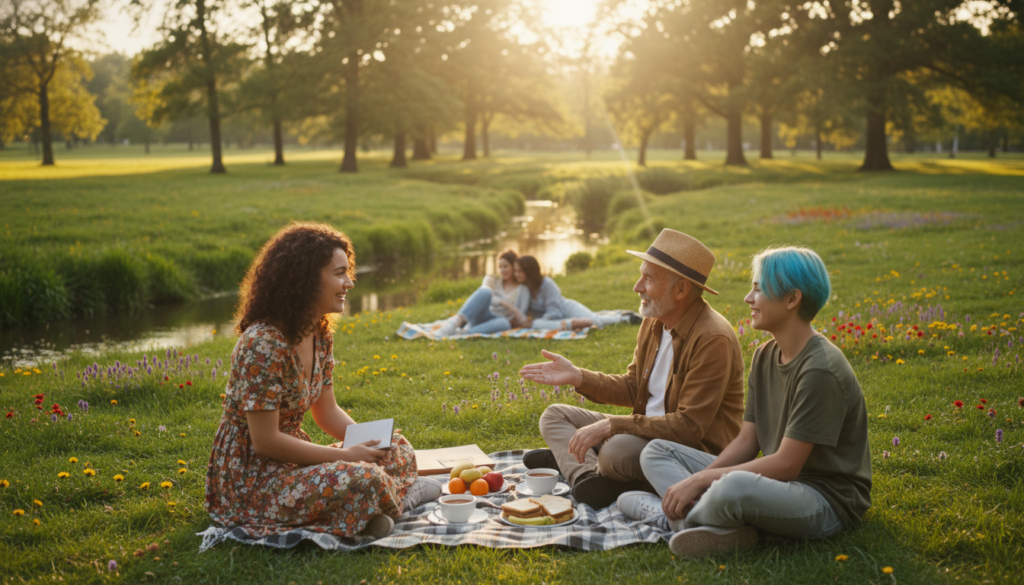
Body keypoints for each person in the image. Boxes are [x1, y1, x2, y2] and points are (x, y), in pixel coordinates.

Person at [618, 246, 871, 558]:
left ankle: (666, 517)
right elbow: (747, 441)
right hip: (776, 485)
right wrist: (698, 481)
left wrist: (700, 481)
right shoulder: (766, 355)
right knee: (657, 450)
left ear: (792, 299)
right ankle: (715, 525)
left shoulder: (820, 369)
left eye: (758, 289)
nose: (748, 299)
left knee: (734, 486)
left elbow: (787, 464)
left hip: (824, 499)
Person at [205, 223, 441, 541]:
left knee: (397, 448)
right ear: (306, 279)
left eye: (348, 272)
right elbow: (265, 441)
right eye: (340, 273)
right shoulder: (262, 343)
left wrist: (371, 447)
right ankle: (401, 501)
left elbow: (326, 412)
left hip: (293, 461)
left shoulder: (319, 333)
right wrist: (346, 457)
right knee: (364, 479)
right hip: (252, 479)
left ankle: (375, 510)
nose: (350, 282)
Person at [518, 230, 744, 509]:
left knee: (615, 451)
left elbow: (688, 428)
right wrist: (578, 376)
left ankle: (582, 462)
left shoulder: (712, 338)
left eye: (648, 279)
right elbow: (634, 387)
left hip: (687, 452)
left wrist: (613, 426)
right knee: (554, 415)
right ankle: (588, 476)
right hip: (646, 432)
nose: (637, 287)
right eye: (641, 275)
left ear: (681, 289)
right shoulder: (654, 321)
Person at [514, 255, 640, 330]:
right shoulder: (525, 289)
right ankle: (616, 313)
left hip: (565, 309)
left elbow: (555, 313)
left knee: (594, 321)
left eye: (519, 271)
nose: (516, 274)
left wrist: (538, 322)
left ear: (529, 271)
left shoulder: (547, 284)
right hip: (554, 319)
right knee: (592, 317)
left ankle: (625, 319)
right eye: (516, 271)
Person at [431, 249, 530, 337]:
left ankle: (464, 333)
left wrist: (506, 305)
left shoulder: (522, 289)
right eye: (500, 267)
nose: (502, 270)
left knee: (505, 324)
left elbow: (521, 316)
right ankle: (455, 323)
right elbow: (483, 295)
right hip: (484, 315)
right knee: (486, 291)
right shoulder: (494, 282)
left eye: (505, 267)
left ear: (514, 267)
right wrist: (503, 302)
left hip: (499, 321)